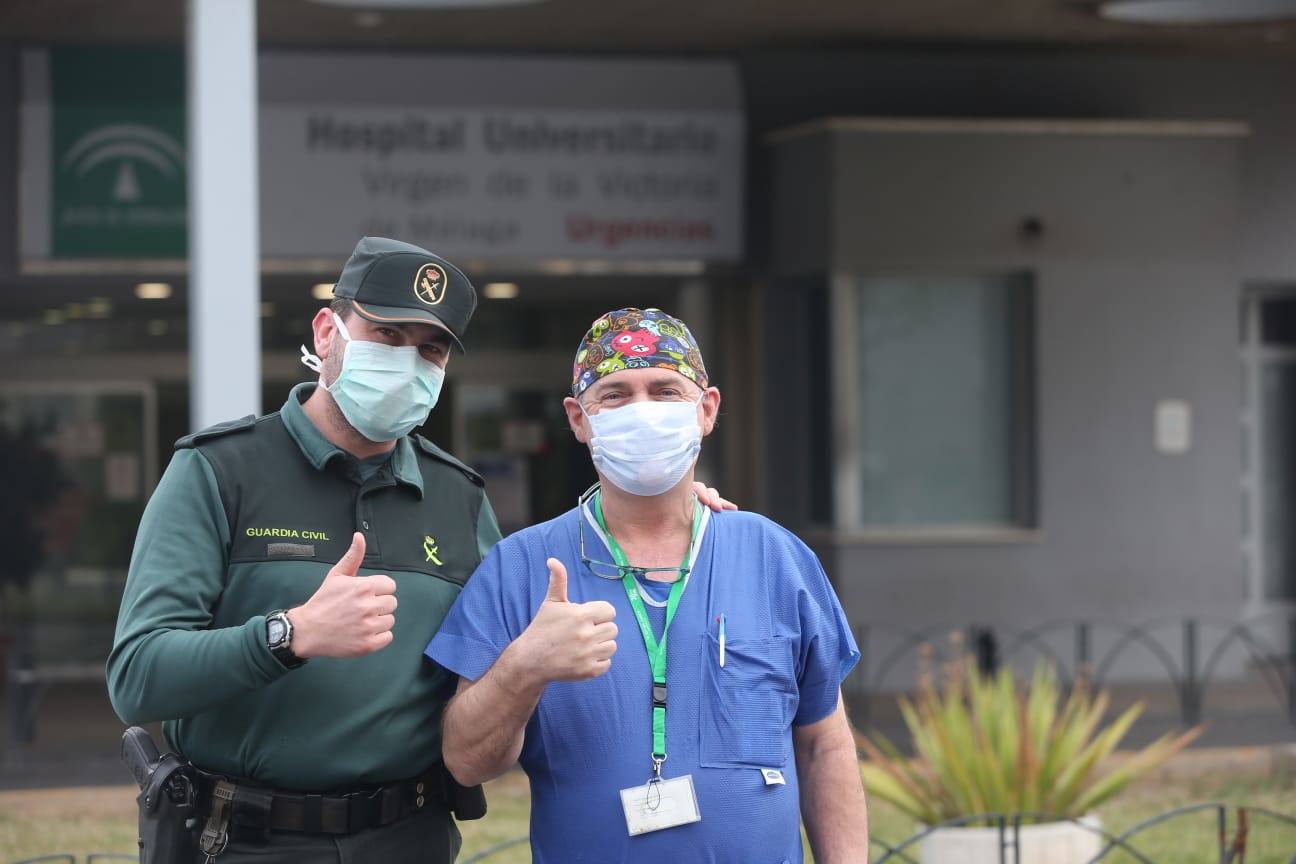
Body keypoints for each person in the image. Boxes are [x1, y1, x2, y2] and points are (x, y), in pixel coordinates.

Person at [427, 308, 869, 863]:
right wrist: (525, 667)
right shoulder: (523, 567)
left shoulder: (771, 556)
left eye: (665, 390)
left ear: (706, 410)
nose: (643, 412)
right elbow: (466, 761)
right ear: (578, 419)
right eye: (614, 395)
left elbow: (823, 744)